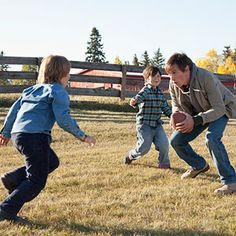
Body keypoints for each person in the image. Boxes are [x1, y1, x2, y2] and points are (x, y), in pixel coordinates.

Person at [0, 55, 96, 221]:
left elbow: (13, 112)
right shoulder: (58, 91)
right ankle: (6, 210)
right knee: (36, 180)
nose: (69, 77)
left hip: (19, 135)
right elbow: (63, 119)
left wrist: (6, 133)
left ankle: (14, 178)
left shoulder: (30, 90)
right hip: (35, 137)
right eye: (68, 73)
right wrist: (83, 136)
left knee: (52, 162)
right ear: (62, 74)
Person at [165, 52, 236, 194]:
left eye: (174, 72)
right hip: (197, 112)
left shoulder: (206, 77)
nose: (171, 78)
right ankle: (199, 165)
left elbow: (218, 108)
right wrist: (175, 114)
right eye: (168, 74)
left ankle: (231, 181)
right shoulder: (173, 84)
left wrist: (195, 120)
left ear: (186, 69)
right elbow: (175, 104)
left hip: (220, 109)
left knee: (212, 139)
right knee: (176, 141)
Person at [124, 65, 172, 168]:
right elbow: (139, 97)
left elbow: (165, 107)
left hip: (157, 125)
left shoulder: (160, 93)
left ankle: (164, 163)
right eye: (153, 76)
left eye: (158, 76)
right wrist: (134, 101)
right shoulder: (146, 90)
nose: (156, 78)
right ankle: (131, 155)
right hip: (145, 125)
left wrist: (172, 116)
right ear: (147, 78)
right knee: (144, 148)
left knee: (164, 144)